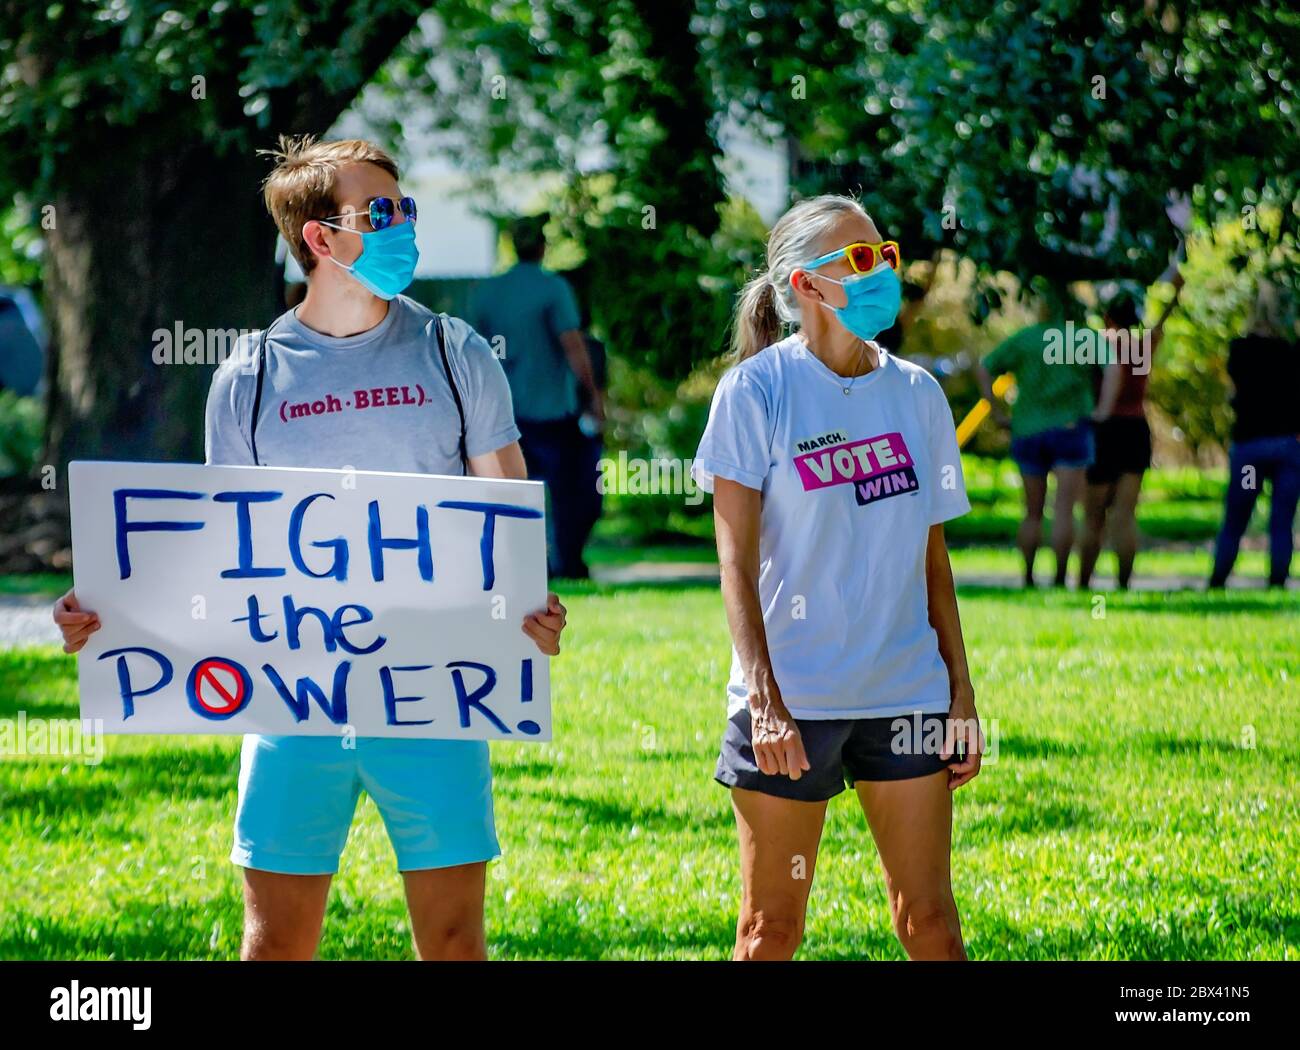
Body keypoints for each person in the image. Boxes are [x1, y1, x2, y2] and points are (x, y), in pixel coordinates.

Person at [52, 135, 569, 960]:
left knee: (452, 942)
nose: (406, 226)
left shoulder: (455, 350)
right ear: (320, 239)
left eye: (407, 209)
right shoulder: (250, 377)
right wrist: (111, 617)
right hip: (291, 699)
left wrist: (531, 614)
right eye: (384, 213)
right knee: (275, 946)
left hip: (431, 695)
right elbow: (224, 553)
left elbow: (507, 523)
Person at [692, 195, 981, 962]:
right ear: (806, 285)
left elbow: (933, 561)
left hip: (905, 692)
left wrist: (960, 692)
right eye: (859, 259)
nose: (883, 270)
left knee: (932, 923)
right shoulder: (756, 391)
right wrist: (766, 704)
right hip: (793, 702)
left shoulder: (917, 394)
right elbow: (734, 563)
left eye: (884, 254)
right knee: (769, 932)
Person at [469, 217, 604, 579]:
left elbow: (473, 353)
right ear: (542, 247)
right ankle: (567, 562)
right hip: (551, 412)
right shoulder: (552, 288)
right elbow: (573, 345)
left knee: (516, 494)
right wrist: (593, 396)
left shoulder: (488, 292)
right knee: (573, 493)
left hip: (503, 415)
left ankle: (528, 567)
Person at [976, 303, 1095, 587]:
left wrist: (995, 410)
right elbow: (1115, 367)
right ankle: (1060, 578)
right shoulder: (1082, 338)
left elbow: (984, 367)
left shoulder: (1026, 338)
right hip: (1070, 429)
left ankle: (1028, 577)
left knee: (1032, 511)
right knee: (1064, 509)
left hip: (1028, 430)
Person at [1079, 276, 1183, 590]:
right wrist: (1175, 292)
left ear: (1107, 317)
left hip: (1104, 430)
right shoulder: (1144, 343)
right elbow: (1163, 321)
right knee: (1125, 513)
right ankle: (1124, 584)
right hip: (1136, 430)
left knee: (1094, 515)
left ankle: (1083, 582)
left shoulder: (1098, 343)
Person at [1209, 279, 1300, 588]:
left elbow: (1233, 394)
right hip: (1287, 447)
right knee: (1282, 519)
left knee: (1237, 514)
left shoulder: (1241, 349)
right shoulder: (1291, 351)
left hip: (1250, 448)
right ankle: (1277, 580)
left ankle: (1219, 577)